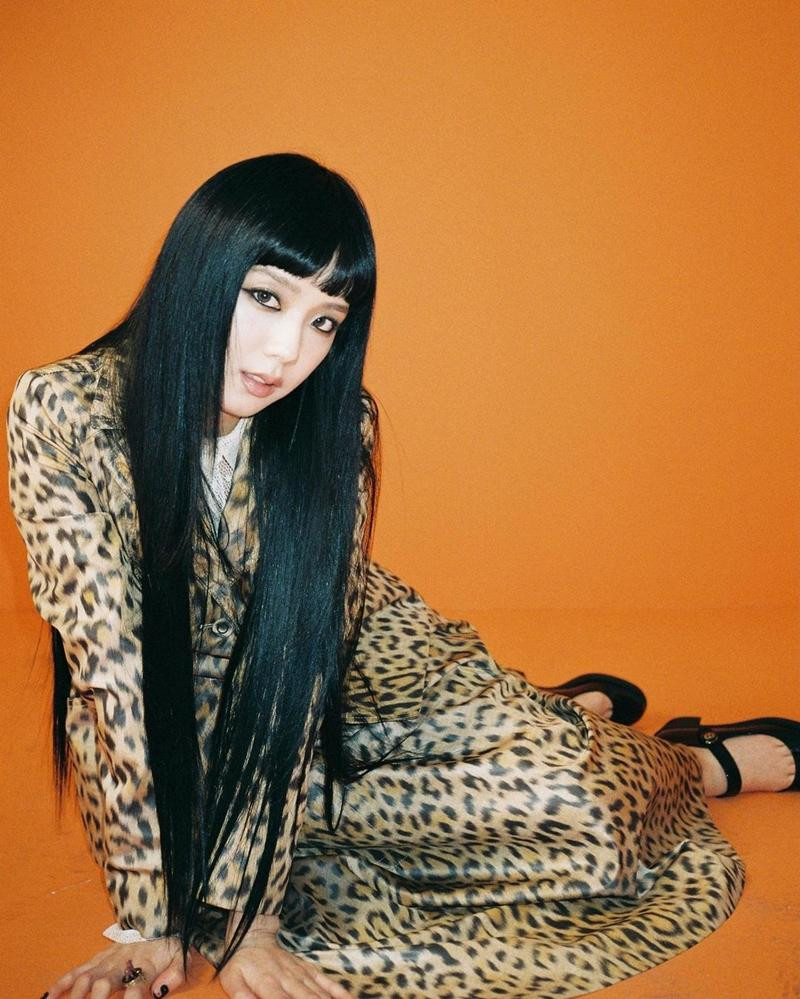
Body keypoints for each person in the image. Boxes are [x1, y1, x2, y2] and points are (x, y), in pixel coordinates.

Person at [6, 152, 798, 999]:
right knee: (296, 894)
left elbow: (298, 677)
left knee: (591, 822)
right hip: (192, 735)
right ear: (201, 270)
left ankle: (687, 760)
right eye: (267, 297)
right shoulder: (61, 409)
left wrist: (251, 921)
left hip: (360, 672)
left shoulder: (335, 421)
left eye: (324, 320)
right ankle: (551, 715)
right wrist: (149, 919)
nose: (287, 352)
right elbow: (112, 679)